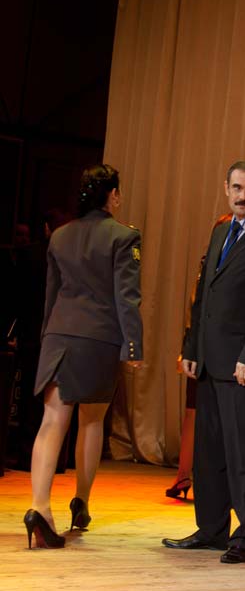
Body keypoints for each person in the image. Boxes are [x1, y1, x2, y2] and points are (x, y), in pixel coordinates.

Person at [162, 160, 245, 564]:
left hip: (244, 368)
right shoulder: (221, 230)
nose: (243, 196)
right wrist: (192, 348)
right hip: (209, 361)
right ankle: (211, 529)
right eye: (237, 188)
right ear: (226, 188)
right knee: (209, 455)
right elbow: (204, 295)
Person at [23, 164, 143, 549]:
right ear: (113, 195)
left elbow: (51, 294)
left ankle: (39, 507)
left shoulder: (59, 235)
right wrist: (133, 345)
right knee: (91, 421)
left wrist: (47, 336)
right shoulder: (124, 236)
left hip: (58, 335)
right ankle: (81, 503)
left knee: (51, 421)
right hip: (98, 338)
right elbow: (127, 297)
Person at [164, 213, 233, 501]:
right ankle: (187, 475)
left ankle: (188, 476)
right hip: (208, 349)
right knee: (197, 414)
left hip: (212, 348)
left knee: (203, 415)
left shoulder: (211, 263)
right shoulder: (212, 263)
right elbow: (196, 307)